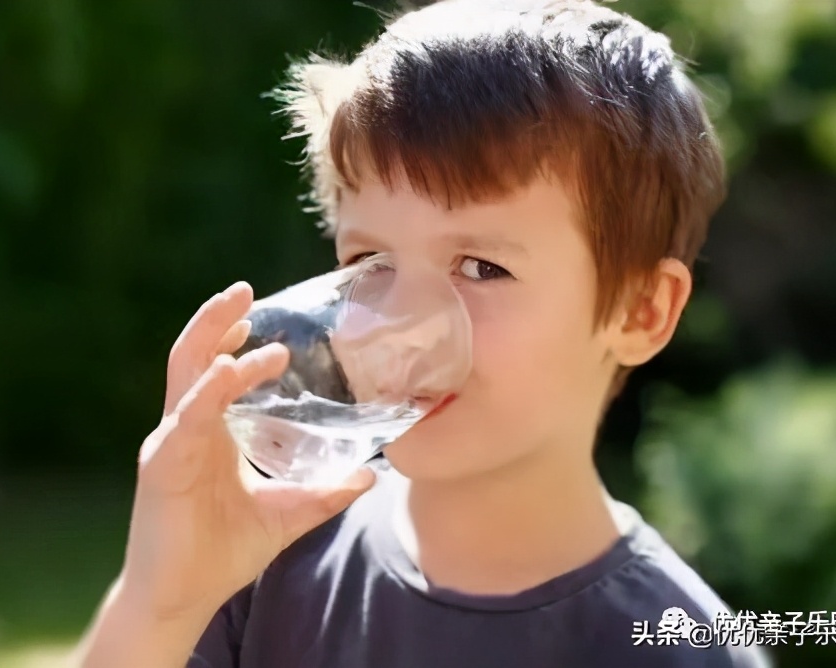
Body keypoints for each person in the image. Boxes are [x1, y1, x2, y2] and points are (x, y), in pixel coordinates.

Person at [76, 1, 772, 666]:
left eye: (480, 266)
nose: (400, 329)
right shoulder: (264, 562)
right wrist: (161, 601)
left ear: (640, 310)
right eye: (368, 265)